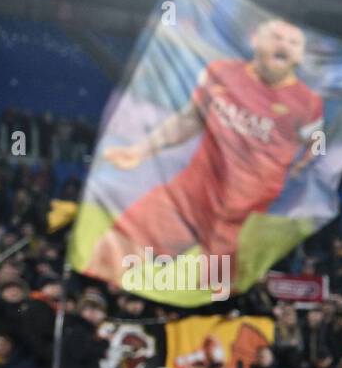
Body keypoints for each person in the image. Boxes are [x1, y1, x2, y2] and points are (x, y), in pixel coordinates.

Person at [86, 19, 324, 279]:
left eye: (293, 42)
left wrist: (303, 169)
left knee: (218, 295)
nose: (284, 45)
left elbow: (315, 144)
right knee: (110, 253)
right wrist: (141, 150)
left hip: (244, 218)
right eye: (276, 37)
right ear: (256, 40)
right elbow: (190, 119)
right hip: (190, 196)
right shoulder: (222, 73)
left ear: (300, 55)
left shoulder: (307, 103)